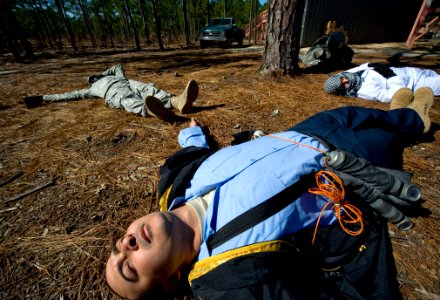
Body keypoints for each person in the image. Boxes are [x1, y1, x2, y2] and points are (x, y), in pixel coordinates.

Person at [105, 87, 434, 300]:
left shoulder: (173, 187)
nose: (127, 244)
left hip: (305, 130)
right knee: (386, 135)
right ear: (170, 280)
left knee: (364, 114)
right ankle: (416, 121)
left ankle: (401, 113)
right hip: (349, 160)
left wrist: (192, 137)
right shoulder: (227, 271)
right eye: (129, 266)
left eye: (120, 243)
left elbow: (191, 158)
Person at [23, 64, 199, 122]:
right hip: (112, 92)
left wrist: (104, 73)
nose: (93, 78)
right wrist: (42, 98)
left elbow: (117, 67)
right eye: (92, 78)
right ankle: (157, 112)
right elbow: (68, 95)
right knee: (129, 101)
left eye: (94, 76)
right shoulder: (92, 89)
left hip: (127, 83)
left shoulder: (117, 75)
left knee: (148, 89)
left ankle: (177, 102)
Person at [324, 62, 440, 103]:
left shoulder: (348, 74)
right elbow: (394, 96)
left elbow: (364, 65)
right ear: (343, 90)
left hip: (410, 71)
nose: (345, 80)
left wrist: (374, 65)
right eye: (343, 84)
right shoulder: (365, 91)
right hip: (415, 84)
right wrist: (390, 76)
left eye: (342, 78)